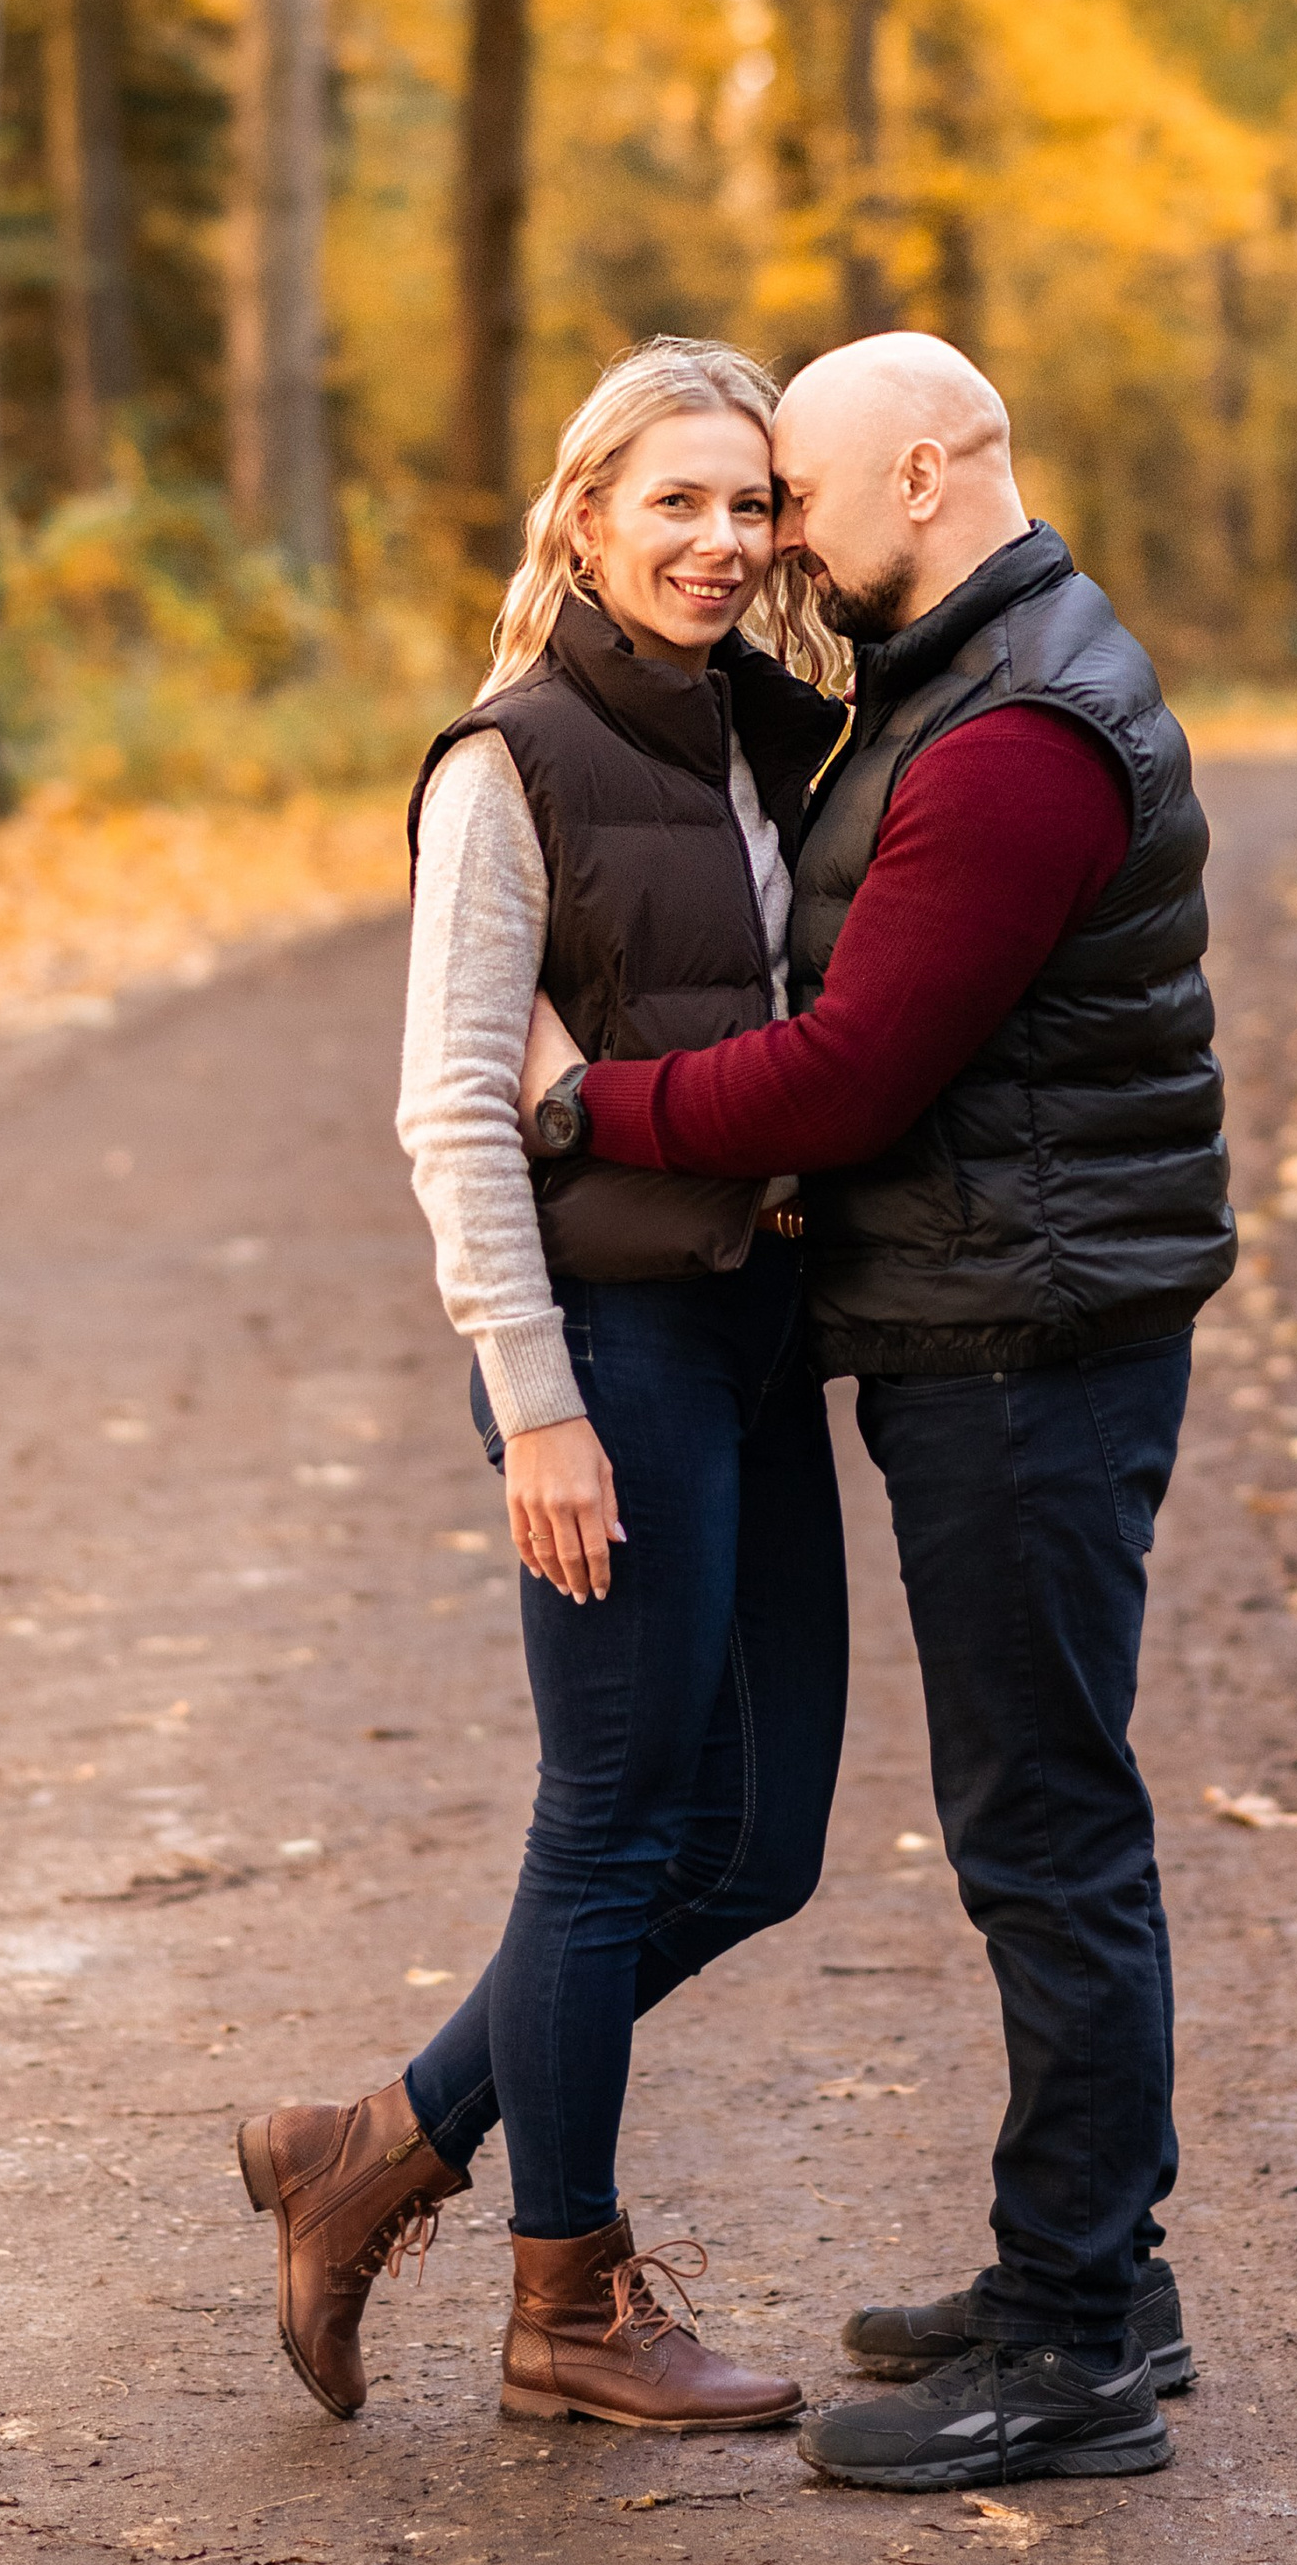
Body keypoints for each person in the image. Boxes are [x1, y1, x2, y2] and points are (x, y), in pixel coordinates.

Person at [519, 332, 1234, 2491]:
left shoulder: (1014, 731)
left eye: (800, 499)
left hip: (1024, 1346)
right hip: (996, 1319)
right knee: (1042, 1815)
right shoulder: (963, 672)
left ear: (923, 472)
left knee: (1042, 1830)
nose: (779, 545)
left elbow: (845, 1072)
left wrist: (586, 1101)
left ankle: (1076, 2340)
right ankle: (1088, 2271)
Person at [237, 337, 851, 2436]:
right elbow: (448, 1111)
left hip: (753, 1329)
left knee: (759, 1840)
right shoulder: (508, 763)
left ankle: (378, 2146)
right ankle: (562, 2305)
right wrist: (537, 1402)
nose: (717, 538)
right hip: (607, 1349)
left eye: (749, 503)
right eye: (672, 500)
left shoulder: (757, 736)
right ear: (583, 516)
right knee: (612, 1827)